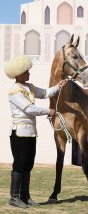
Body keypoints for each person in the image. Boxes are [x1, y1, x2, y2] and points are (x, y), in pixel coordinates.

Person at [4, 54, 67, 208]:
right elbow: (29, 108)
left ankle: (25, 197)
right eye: (26, 71)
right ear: (18, 74)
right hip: (19, 133)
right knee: (19, 164)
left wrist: (59, 86)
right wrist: (48, 111)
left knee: (28, 164)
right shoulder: (14, 91)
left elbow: (45, 93)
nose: (29, 73)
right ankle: (14, 197)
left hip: (31, 132)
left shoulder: (30, 87)